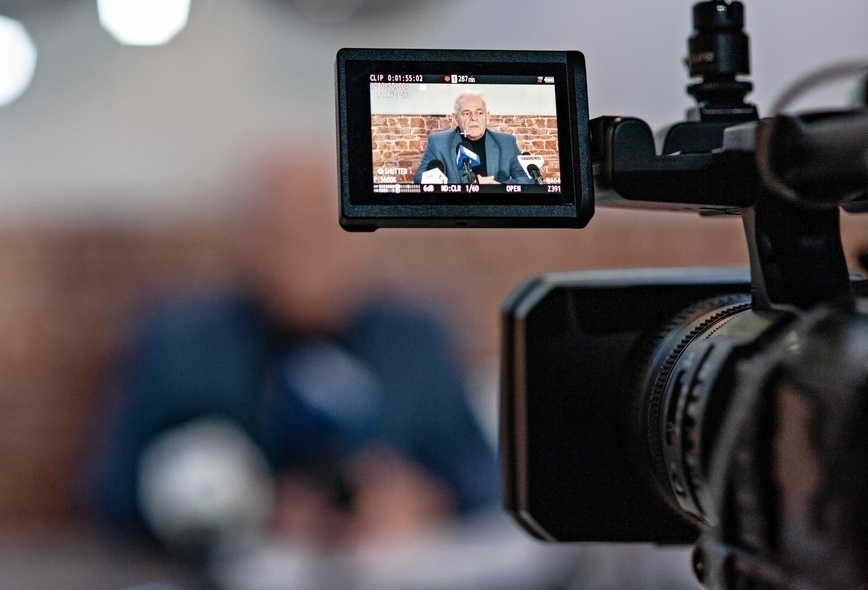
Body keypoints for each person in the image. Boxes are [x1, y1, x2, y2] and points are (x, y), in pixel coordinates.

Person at [86, 148, 501, 558]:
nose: (308, 254)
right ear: (247, 240)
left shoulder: (416, 340)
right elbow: (113, 491)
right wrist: (246, 509)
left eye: (326, 231)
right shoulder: (182, 345)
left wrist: (426, 499)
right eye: (286, 232)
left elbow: (485, 474)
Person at [413, 91, 534, 185]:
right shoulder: (438, 143)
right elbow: (420, 179)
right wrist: (471, 186)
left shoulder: (506, 143)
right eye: (467, 113)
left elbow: (527, 179)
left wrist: (498, 187)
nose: (474, 118)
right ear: (455, 119)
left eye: (479, 113)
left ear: (487, 117)